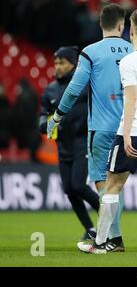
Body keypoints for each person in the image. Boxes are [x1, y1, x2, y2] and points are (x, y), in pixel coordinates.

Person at [77, 10, 137, 255]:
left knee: (112, 186)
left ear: (130, 31)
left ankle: (100, 243)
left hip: (133, 132)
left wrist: (128, 135)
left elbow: (131, 99)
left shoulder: (130, 61)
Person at [47, 3, 133, 252]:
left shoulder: (91, 52)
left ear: (101, 25)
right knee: (118, 184)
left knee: (104, 185)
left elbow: (74, 89)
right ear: (122, 25)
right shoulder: (133, 51)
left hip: (101, 129)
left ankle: (111, 238)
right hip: (129, 129)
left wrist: (57, 116)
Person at [39, 47, 100, 240]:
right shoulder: (50, 89)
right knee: (69, 189)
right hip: (63, 145)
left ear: (73, 64)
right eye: (56, 62)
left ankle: (108, 215)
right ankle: (90, 228)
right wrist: (42, 123)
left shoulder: (84, 84)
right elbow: (43, 112)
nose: (57, 66)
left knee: (78, 185)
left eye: (62, 63)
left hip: (83, 141)